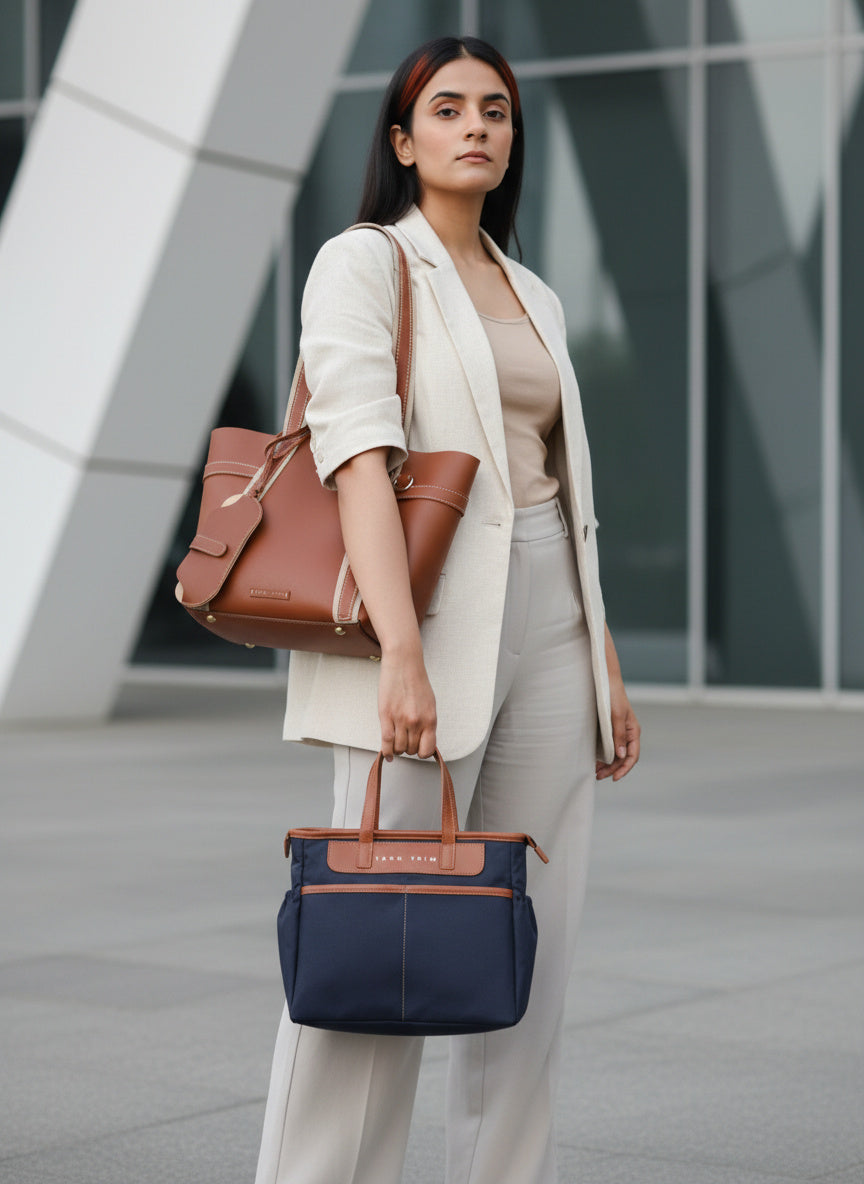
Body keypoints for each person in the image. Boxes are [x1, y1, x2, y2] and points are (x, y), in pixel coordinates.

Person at [255, 35, 640, 1184]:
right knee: (379, 933)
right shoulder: (365, 262)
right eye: (450, 107)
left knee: (528, 943)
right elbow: (356, 456)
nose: (476, 126)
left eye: (496, 111)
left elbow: (562, 489)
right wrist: (399, 649)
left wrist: (606, 661)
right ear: (403, 137)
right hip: (420, 616)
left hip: (554, 615)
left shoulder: (537, 293)